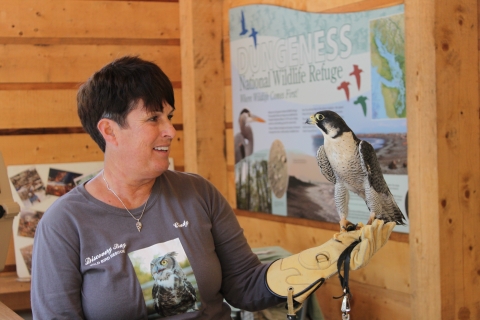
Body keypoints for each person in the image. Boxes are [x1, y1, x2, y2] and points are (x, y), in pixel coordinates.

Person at [31, 56, 395, 320]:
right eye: (153, 118)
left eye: (169, 117)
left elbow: (246, 286)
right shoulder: (65, 224)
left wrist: (322, 261)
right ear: (109, 131)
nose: (171, 131)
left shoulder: (197, 194)